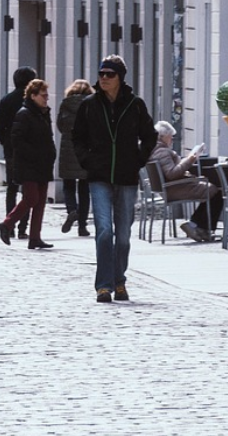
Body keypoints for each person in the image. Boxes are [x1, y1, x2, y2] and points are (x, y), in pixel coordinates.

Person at [72, 55, 156, 302]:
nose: (104, 78)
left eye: (110, 74)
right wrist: (87, 161)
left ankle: (119, 281)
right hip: (98, 176)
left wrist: (138, 159)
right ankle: (104, 286)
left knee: (124, 236)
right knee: (104, 231)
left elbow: (149, 136)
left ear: (120, 78)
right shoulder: (89, 104)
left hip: (126, 176)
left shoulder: (135, 105)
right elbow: (77, 137)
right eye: (101, 74)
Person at [0, 78, 57, 249]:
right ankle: (7, 224)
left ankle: (35, 237)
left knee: (40, 201)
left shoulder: (44, 113)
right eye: (43, 95)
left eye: (47, 95)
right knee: (31, 197)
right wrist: (34, 154)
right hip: (28, 164)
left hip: (43, 163)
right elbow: (17, 140)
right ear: (33, 95)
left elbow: (48, 136)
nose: (46, 98)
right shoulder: (24, 114)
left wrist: (51, 153)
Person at [149, 121, 223, 243]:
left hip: (172, 187)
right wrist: (189, 160)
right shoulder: (162, 152)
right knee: (216, 191)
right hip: (174, 188)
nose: (172, 139)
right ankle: (198, 226)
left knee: (212, 190)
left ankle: (198, 226)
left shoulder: (156, 150)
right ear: (162, 137)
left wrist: (186, 160)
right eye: (170, 137)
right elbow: (172, 173)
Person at [0, 66, 37, 239]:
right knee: (28, 188)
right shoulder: (32, 100)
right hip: (29, 150)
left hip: (11, 149)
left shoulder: (7, 100)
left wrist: (4, 140)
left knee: (12, 188)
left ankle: (9, 225)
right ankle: (22, 228)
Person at [55, 79, 93, 236]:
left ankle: (72, 210)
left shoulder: (65, 104)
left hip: (68, 149)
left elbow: (60, 125)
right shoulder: (92, 105)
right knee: (84, 189)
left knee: (68, 185)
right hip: (85, 150)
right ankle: (82, 226)